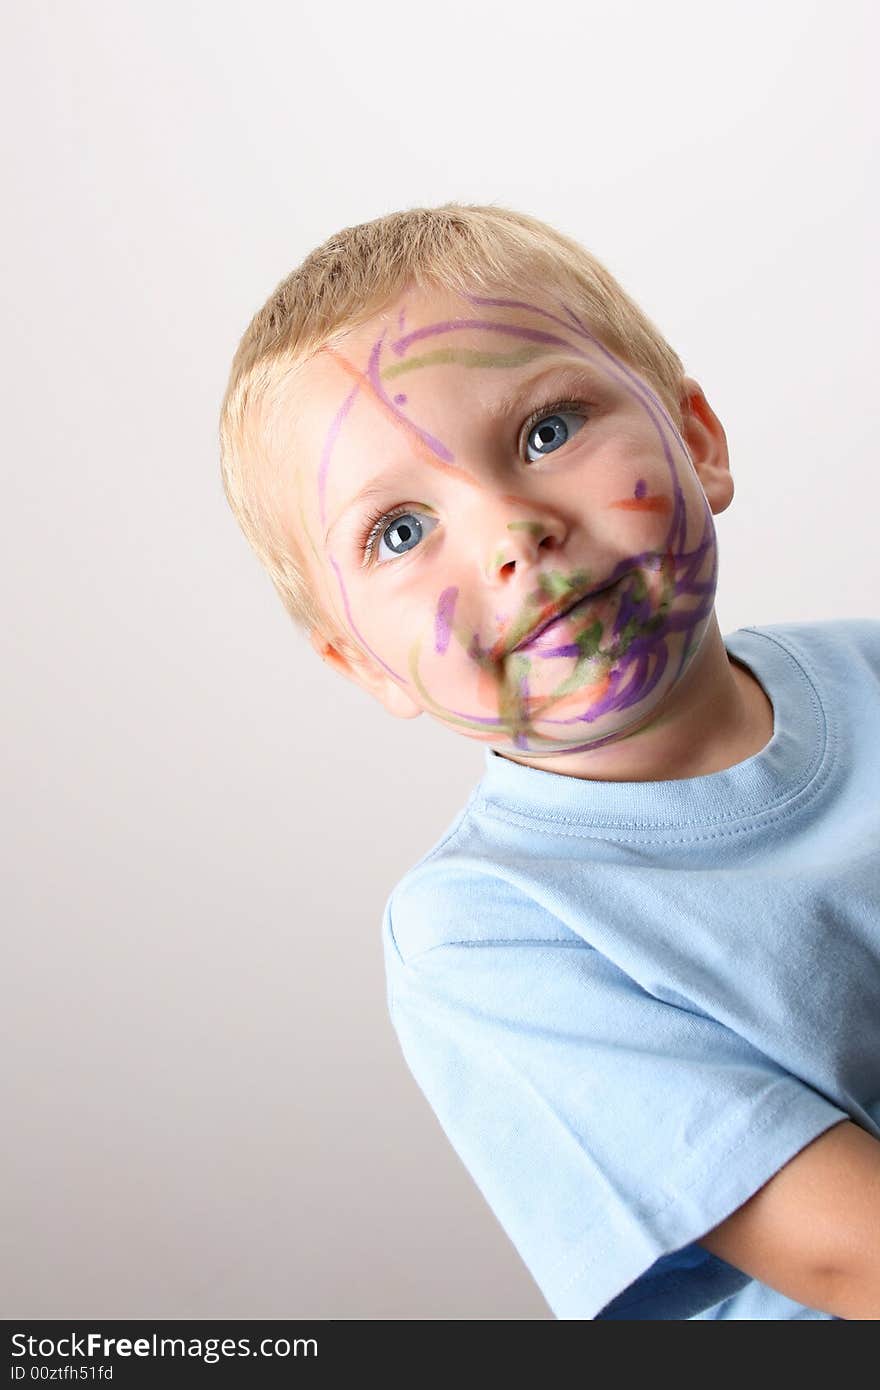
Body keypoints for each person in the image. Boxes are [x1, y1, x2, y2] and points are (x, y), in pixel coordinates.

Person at [218, 202, 880, 1319]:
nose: (510, 529)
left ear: (697, 439)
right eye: (399, 530)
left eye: (544, 431)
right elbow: (846, 1254)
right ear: (361, 664)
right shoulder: (486, 928)